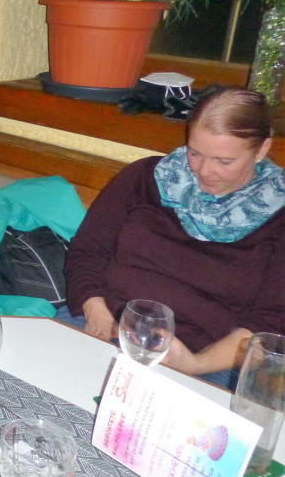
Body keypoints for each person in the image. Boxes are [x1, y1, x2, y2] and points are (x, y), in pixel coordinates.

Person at [65, 87, 285, 387]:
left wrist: (194, 363)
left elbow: (270, 321)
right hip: (103, 323)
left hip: (208, 360)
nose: (204, 171)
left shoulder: (279, 217)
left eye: (224, 161)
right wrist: (99, 317)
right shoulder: (144, 178)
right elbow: (87, 252)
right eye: (195, 153)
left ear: (261, 150)